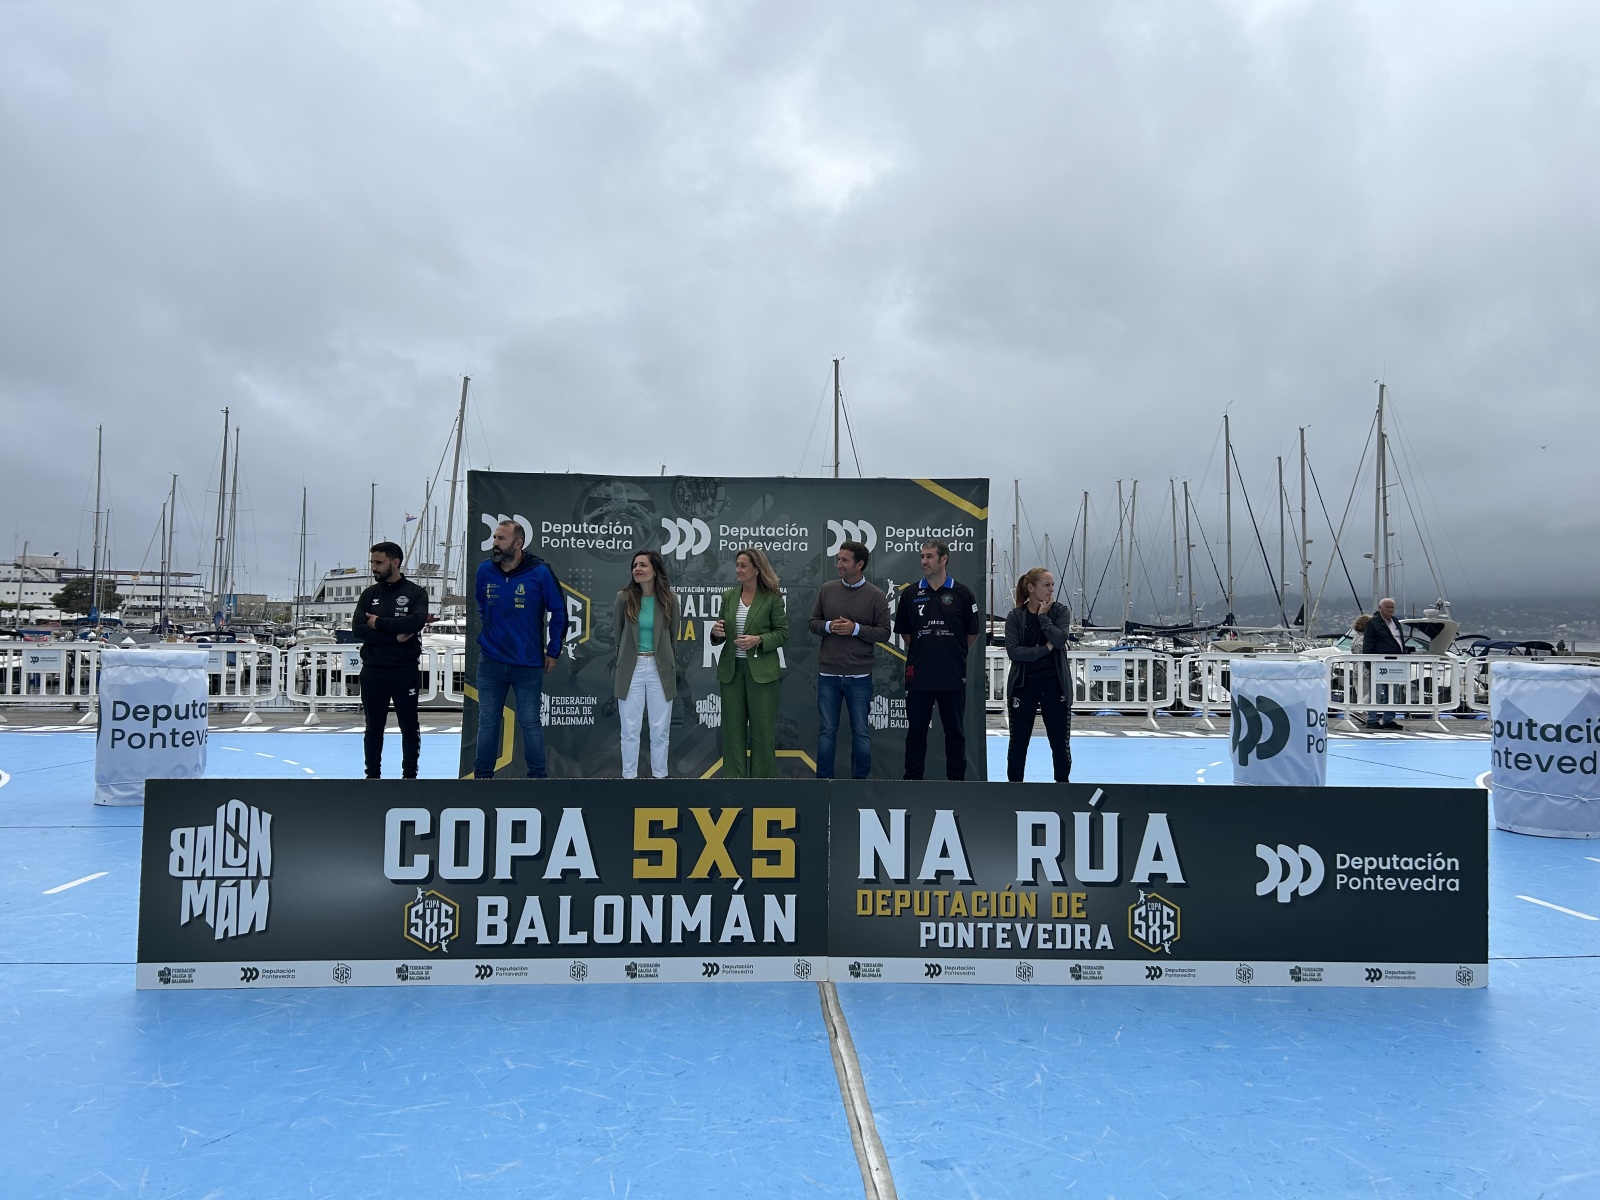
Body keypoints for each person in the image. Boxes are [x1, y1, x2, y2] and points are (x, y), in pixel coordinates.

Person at [473, 519, 567, 778]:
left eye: (501, 538)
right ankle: (481, 779)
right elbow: (481, 605)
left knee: (529, 722)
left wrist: (553, 651)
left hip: (527, 663)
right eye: (494, 537)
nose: (494, 543)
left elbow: (559, 612)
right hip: (490, 662)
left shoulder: (540, 572)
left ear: (518, 543)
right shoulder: (485, 570)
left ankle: (537, 779)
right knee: (488, 722)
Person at [893, 540, 982, 780]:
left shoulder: (963, 593)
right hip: (919, 674)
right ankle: (913, 781)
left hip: (951, 674)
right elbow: (906, 633)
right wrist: (926, 649)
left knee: (955, 732)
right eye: (922, 556)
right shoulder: (910, 593)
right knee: (916, 733)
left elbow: (972, 633)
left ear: (944, 559)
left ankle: (957, 783)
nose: (924, 561)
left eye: (929, 556)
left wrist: (952, 651)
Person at [808, 540, 891, 779]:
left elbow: (884, 633)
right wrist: (829, 626)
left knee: (861, 733)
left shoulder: (876, 596)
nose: (839, 564)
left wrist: (855, 629)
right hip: (828, 675)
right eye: (838, 559)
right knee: (826, 731)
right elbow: (813, 623)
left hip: (859, 677)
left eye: (844, 560)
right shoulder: (827, 590)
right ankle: (823, 784)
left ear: (860, 564)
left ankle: (859, 787)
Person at [351, 541, 430, 780]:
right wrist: (395, 637)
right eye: (372, 562)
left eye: (378, 562)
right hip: (373, 670)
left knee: (409, 726)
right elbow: (358, 629)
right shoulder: (369, 594)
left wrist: (379, 623)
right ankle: (372, 777)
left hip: (404, 670)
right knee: (373, 727)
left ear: (395, 563)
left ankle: (410, 776)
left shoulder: (416, 593)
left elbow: (416, 622)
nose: (373, 567)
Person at [710, 547, 789, 778]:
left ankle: (762, 786)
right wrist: (716, 632)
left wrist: (758, 640)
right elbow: (720, 631)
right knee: (732, 732)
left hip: (762, 674)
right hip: (732, 672)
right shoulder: (729, 596)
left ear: (757, 569)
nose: (738, 570)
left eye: (743, 566)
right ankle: (734, 784)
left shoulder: (773, 598)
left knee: (762, 732)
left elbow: (782, 634)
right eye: (737, 565)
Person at [1003, 568, 1072, 783]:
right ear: (1031, 588)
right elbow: (1014, 652)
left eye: (1052, 585)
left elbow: (1059, 640)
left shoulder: (1060, 612)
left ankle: (1063, 785)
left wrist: (1043, 617)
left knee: (1059, 742)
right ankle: (1015, 787)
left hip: (1055, 684)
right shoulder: (1015, 616)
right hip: (1024, 684)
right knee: (1018, 741)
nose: (1051, 590)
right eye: (1046, 585)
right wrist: (1044, 649)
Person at [613, 550, 677, 779]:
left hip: (660, 668)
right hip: (632, 668)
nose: (637, 569)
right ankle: (629, 778)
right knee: (629, 729)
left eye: (643, 565)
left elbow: (672, 636)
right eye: (634, 565)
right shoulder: (623, 598)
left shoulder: (669, 599)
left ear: (655, 570)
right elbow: (618, 634)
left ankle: (660, 777)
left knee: (660, 729)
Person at [1361, 596, 1408, 730]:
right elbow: (1368, 643)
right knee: (1376, 692)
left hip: (1396, 663)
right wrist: (1368, 662)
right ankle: (1372, 719)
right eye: (1387, 607)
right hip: (1378, 663)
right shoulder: (1373, 623)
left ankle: (1388, 719)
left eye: (1392, 607)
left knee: (1394, 693)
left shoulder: (1395, 622)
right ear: (1380, 608)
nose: (1390, 610)